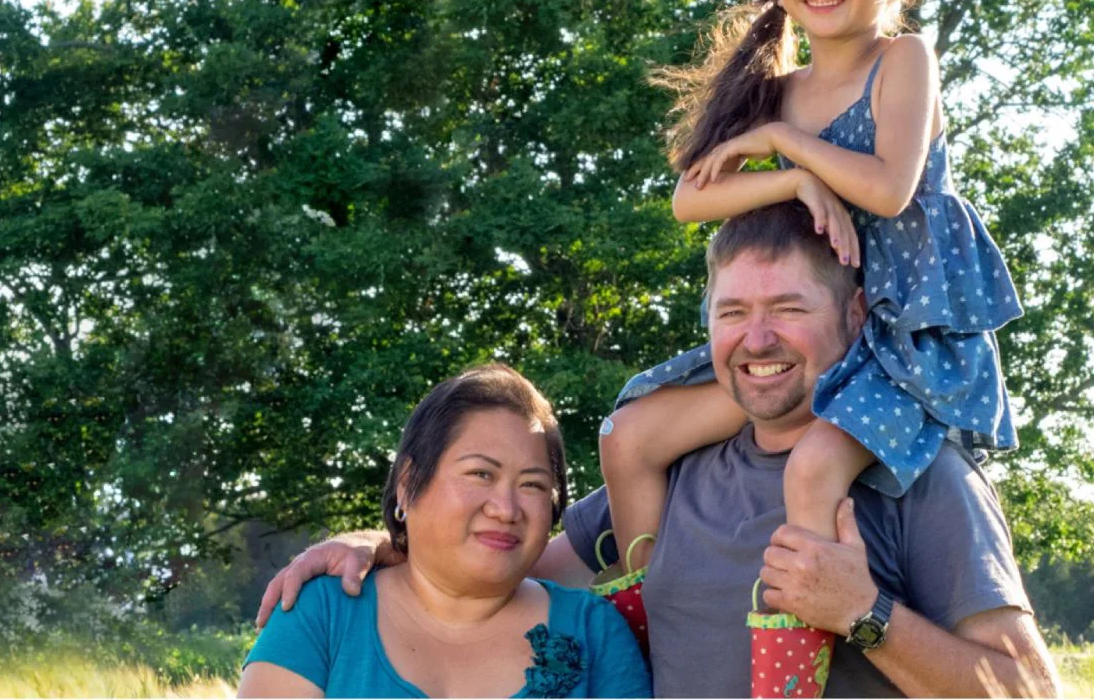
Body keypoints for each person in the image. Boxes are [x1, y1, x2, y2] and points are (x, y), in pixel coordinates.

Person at [255, 204, 1059, 698]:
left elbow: (1026, 688)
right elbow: (506, 552)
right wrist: (379, 541)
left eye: (788, 307)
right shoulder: (680, 474)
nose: (758, 337)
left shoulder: (917, 477)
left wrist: (864, 612)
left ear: (853, 320)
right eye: (732, 311)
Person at [599, 0, 1023, 618]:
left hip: (896, 338)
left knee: (808, 472)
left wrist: (790, 148)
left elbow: (888, 191)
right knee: (626, 437)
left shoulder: (903, 60)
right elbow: (689, 201)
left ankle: (792, 655)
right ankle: (649, 624)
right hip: (807, 337)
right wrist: (792, 179)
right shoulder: (772, 89)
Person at [239, 364, 650, 698]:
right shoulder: (323, 612)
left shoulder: (595, 632)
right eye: (480, 474)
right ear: (407, 482)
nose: (506, 509)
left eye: (532, 485)